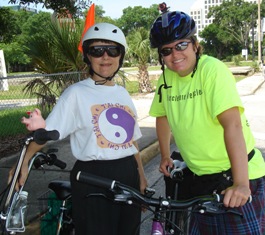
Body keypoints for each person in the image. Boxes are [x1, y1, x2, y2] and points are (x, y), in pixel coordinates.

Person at [15, 22, 147, 235]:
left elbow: (131, 141)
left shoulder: (123, 94)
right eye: (97, 51)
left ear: (120, 56)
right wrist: (22, 163)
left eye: (112, 50)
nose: (105, 57)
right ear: (88, 56)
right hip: (92, 177)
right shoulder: (75, 93)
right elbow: (48, 133)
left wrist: (141, 175)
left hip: (128, 173)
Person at [149, 9, 265, 234]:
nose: (175, 55)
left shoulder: (212, 70)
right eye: (167, 50)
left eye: (181, 45)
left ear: (194, 43)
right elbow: (162, 116)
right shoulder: (166, 79)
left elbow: (232, 125)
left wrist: (241, 183)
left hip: (236, 176)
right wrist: (164, 154)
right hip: (200, 180)